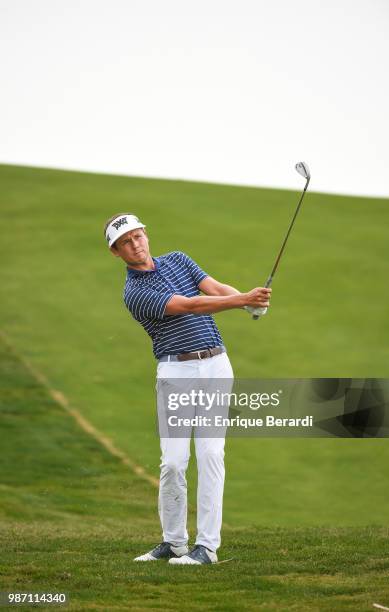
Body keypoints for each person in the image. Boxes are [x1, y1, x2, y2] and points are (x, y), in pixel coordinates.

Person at [104, 212, 271, 565]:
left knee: (211, 455)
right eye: (126, 243)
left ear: (146, 235)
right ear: (116, 253)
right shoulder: (135, 292)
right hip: (174, 371)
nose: (136, 245)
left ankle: (207, 547)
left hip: (215, 365)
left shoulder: (179, 260)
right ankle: (174, 542)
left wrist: (247, 299)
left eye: (138, 236)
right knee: (174, 463)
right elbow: (191, 305)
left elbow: (214, 289)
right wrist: (242, 301)